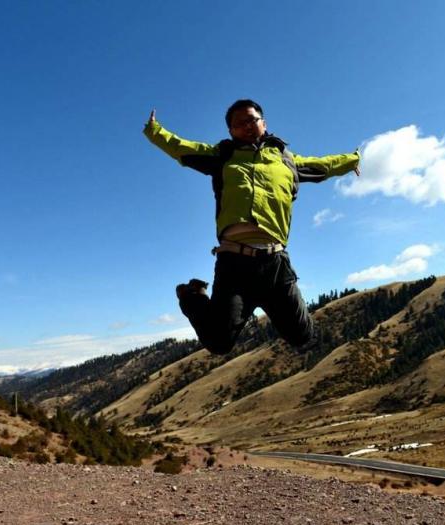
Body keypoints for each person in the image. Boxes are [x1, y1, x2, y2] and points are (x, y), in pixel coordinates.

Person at [143, 99, 360, 354]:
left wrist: (353, 160)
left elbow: (324, 165)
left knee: (302, 337)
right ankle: (192, 296)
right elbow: (182, 149)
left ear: (264, 123)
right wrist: (155, 131)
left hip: (275, 263)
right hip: (234, 263)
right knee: (218, 343)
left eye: (252, 120)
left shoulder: (286, 161)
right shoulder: (221, 157)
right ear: (231, 131)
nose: (247, 126)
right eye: (239, 123)